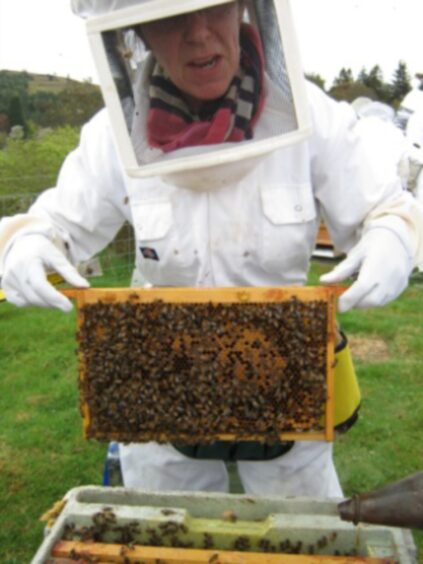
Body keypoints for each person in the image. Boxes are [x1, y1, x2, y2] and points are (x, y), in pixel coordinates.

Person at [1, 0, 423, 498]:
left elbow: (385, 205)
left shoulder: (315, 115)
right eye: (171, 17)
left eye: (216, 7)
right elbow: (56, 222)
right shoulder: (111, 134)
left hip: (285, 378)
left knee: (303, 533)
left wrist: (393, 235)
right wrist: (26, 243)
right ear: (135, 32)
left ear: (246, 8)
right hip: (161, 384)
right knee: (166, 531)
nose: (199, 33)